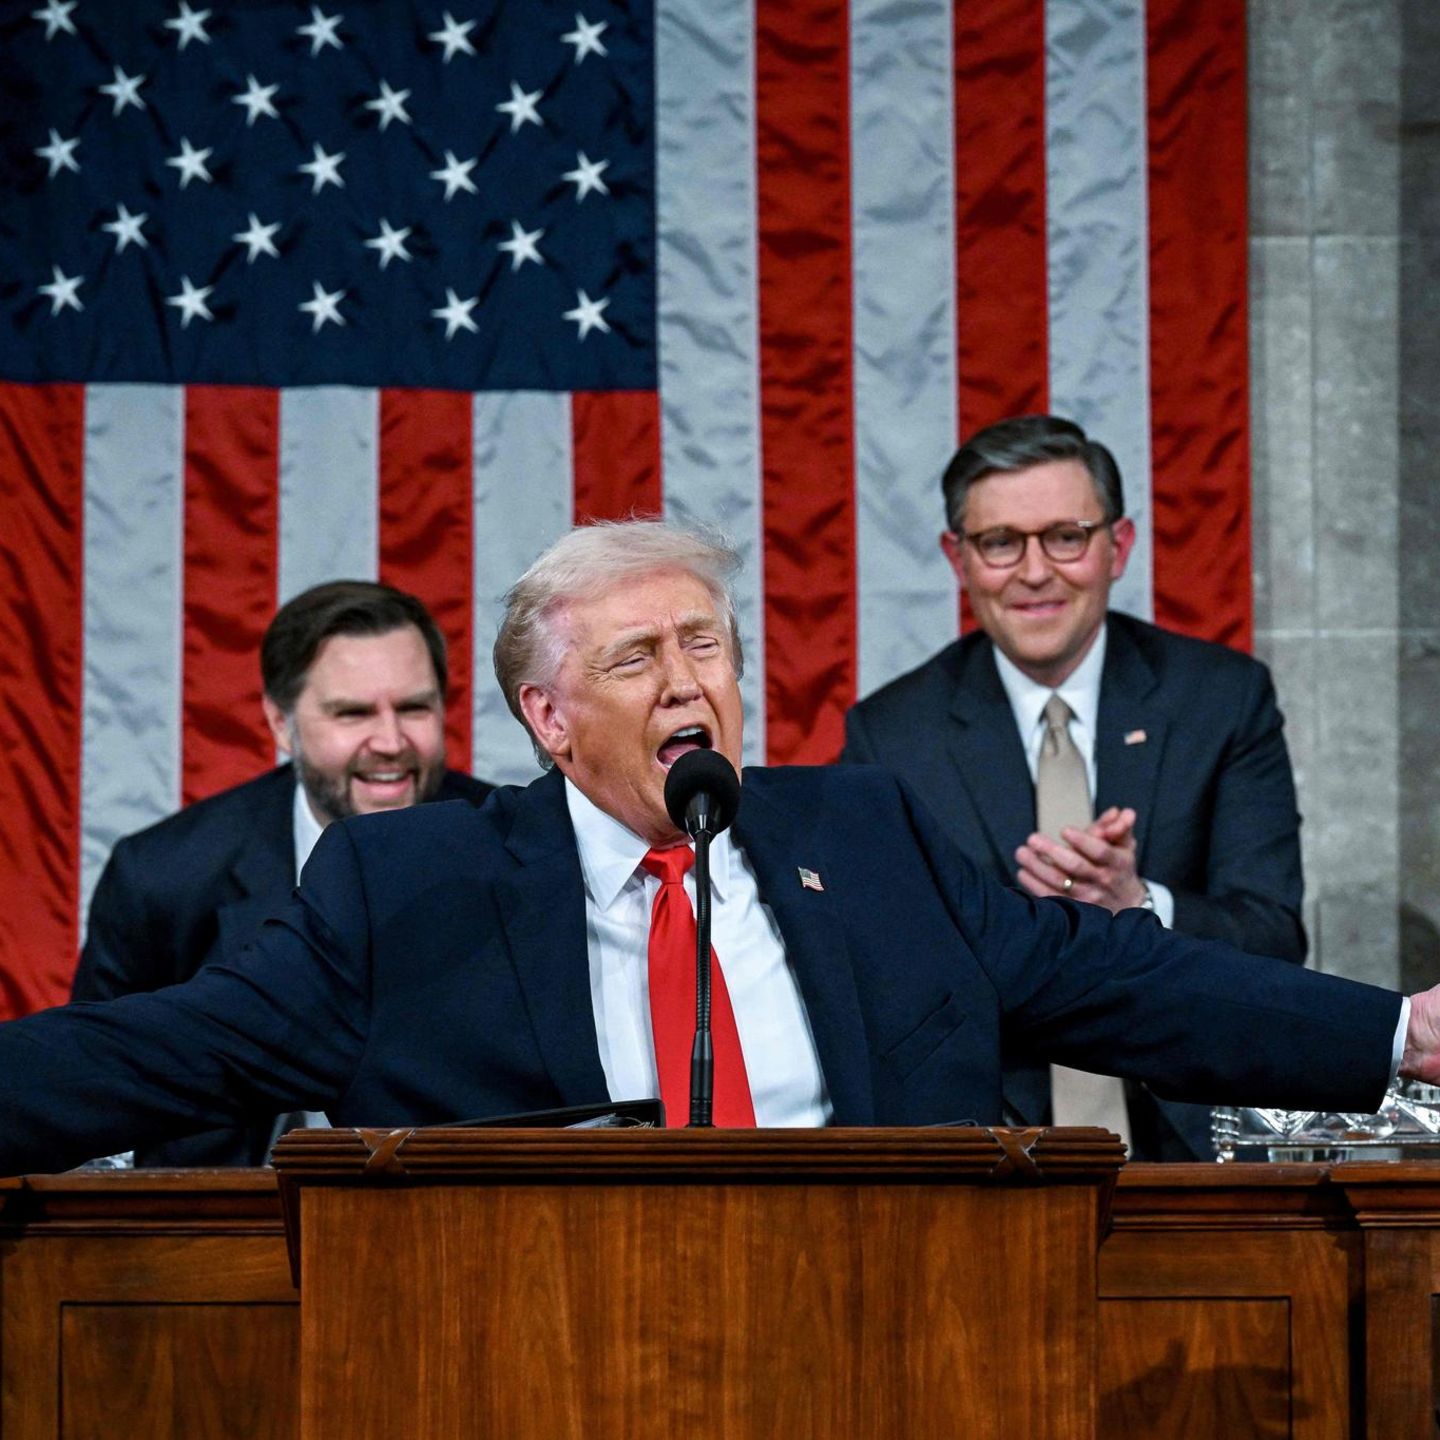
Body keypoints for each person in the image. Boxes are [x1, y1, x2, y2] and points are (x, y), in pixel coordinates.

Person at [0, 520, 1434, 1179]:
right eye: (639, 659)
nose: (690, 683)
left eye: (709, 647)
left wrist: (1396, 1034)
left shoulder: (866, 836)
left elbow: (1118, 981)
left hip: (896, 1355)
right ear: (548, 718)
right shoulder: (415, 884)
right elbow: (170, 1048)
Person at [842, 415, 1303, 1160]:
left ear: (1119, 546)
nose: (1034, 572)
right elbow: (878, 976)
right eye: (1001, 542)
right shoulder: (891, 736)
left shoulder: (1221, 701)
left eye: (1065, 536)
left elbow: (1275, 938)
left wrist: (1138, 907)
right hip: (988, 1149)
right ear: (958, 558)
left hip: (1194, 1143)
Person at [70, 580, 493, 1166]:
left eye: (414, 707)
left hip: (457, 1202)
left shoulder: (517, 850)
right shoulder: (163, 877)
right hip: (224, 1208)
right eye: (353, 713)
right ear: (280, 723)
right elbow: (96, 1090)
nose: (391, 741)